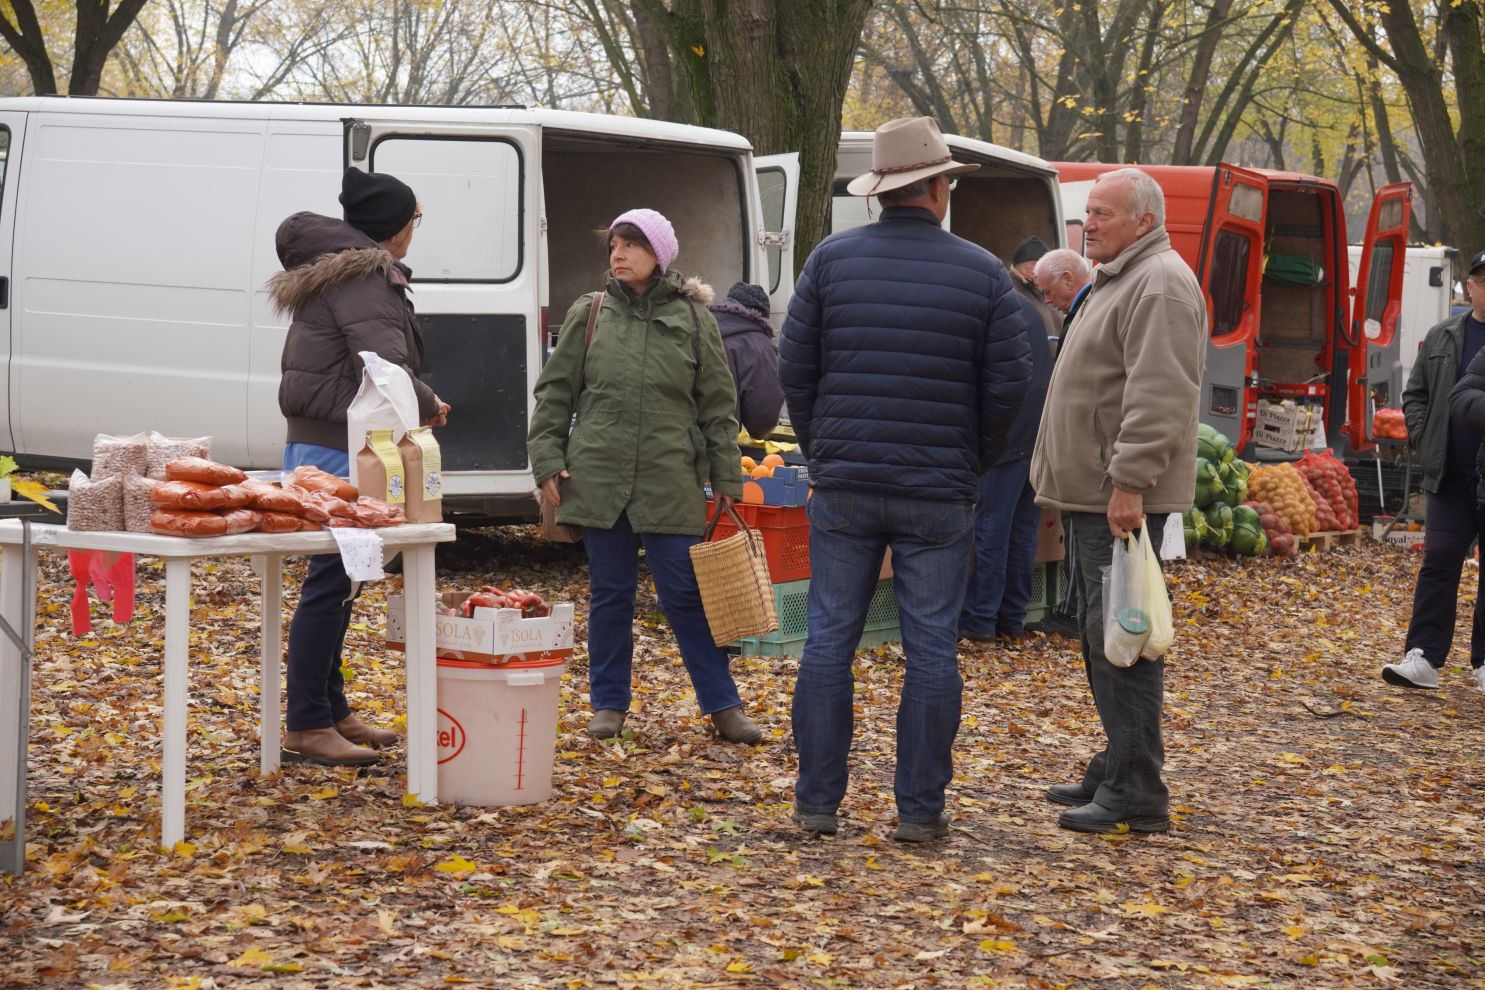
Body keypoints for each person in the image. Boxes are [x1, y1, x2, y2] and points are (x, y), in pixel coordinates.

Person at [780, 116, 1032, 842]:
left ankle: (816, 805)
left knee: (828, 641)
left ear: (883, 193)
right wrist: (969, 462)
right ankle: (919, 813)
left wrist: (824, 448)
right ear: (937, 188)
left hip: (847, 483)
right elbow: (1007, 388)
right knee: (931, 650)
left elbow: (794, 368)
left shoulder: (830, 260)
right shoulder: (982, 272)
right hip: (938, 493)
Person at [527, 209, 761, 744]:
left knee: (683, 595)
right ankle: (608, 705)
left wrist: (728, 481)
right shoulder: (590, 313)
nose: (619, 254)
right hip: (599, 478)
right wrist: (546, 459)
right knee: (610, 594)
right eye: (614, 244)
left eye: (631, 244)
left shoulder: (696, 320)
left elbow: (718, 408)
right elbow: (553, 394)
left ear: (659, 253)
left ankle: (723, 705)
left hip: (670, 478)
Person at [1029, 167, 1205, 834]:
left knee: (1124, 642)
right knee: (1102, 637)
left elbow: (1159, 394)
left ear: (1144, 220)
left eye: (1104, 213)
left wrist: (1129, 483)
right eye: (1087, 214)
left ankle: (1137, 788)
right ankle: (1116, 762)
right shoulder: (1121, 278)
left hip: (1115, 497)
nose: (1089, 225)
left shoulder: (1159, 284)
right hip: (1092, 494)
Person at [269, 168, 450, 766]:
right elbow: (385, 370)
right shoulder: (368, 279)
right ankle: (305, 725)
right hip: (341, 448)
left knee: (343, 581)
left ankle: (331, 708)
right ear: (394, 227)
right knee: (331, 584)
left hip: (319, 443)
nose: (413, 233)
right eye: (414, 221)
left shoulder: (343, 272)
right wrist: (428, 404)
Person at [1384, 250, 1485, 692]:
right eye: (1482, 280)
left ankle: (1483, 664)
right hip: (1449, 474)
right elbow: (1417, 394)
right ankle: (1423, 656)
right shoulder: (1445, 335)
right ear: (1470, 286)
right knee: (1439, 561)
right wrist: (1426, 442)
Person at [958, 289, 1053, 643]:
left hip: (1006, 441)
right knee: (1019, 532)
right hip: (1032, 439)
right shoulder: (1026, 311)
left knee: (991, 532)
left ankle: (980, 618)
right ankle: (1011, 617)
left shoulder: (994, 313)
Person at [1027, 248, 1094, 638]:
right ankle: (1073, 610)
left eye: (1049, 291)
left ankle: (1072, 612)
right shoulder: (1082, 309)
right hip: (1079, 447)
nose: (1047, 301)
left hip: (1083, 452)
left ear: (1069, 278)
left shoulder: (1091, 309)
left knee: (1082, 535)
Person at [708, 281, 785, 439]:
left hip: (674, 444)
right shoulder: (759, 346)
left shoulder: (697, 325)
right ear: (763, 316)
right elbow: (763, 420)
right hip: (717, 446)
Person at [1009, 235, 1062, 338]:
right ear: (1018, 265)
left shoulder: (1050, 286)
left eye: (1044, 264)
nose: (1040, 268)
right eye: (1034, 264)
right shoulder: (1007, 289)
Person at [1033, 248, 1093, 330]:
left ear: (1068, 280)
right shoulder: (1087, 310)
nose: (1046, 301)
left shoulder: (1091, 315)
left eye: (1048, 292)